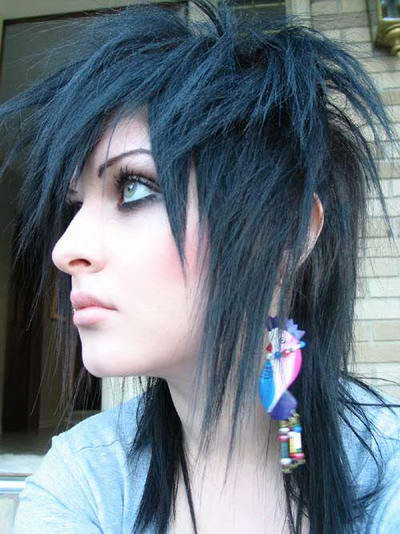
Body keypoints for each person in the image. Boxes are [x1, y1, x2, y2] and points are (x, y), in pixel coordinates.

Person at [2, 1, 399, 532]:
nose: (64, 249)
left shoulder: (386, 470)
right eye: (76, 205)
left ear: (286, 232)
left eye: (134, 187)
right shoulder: (84, 481)